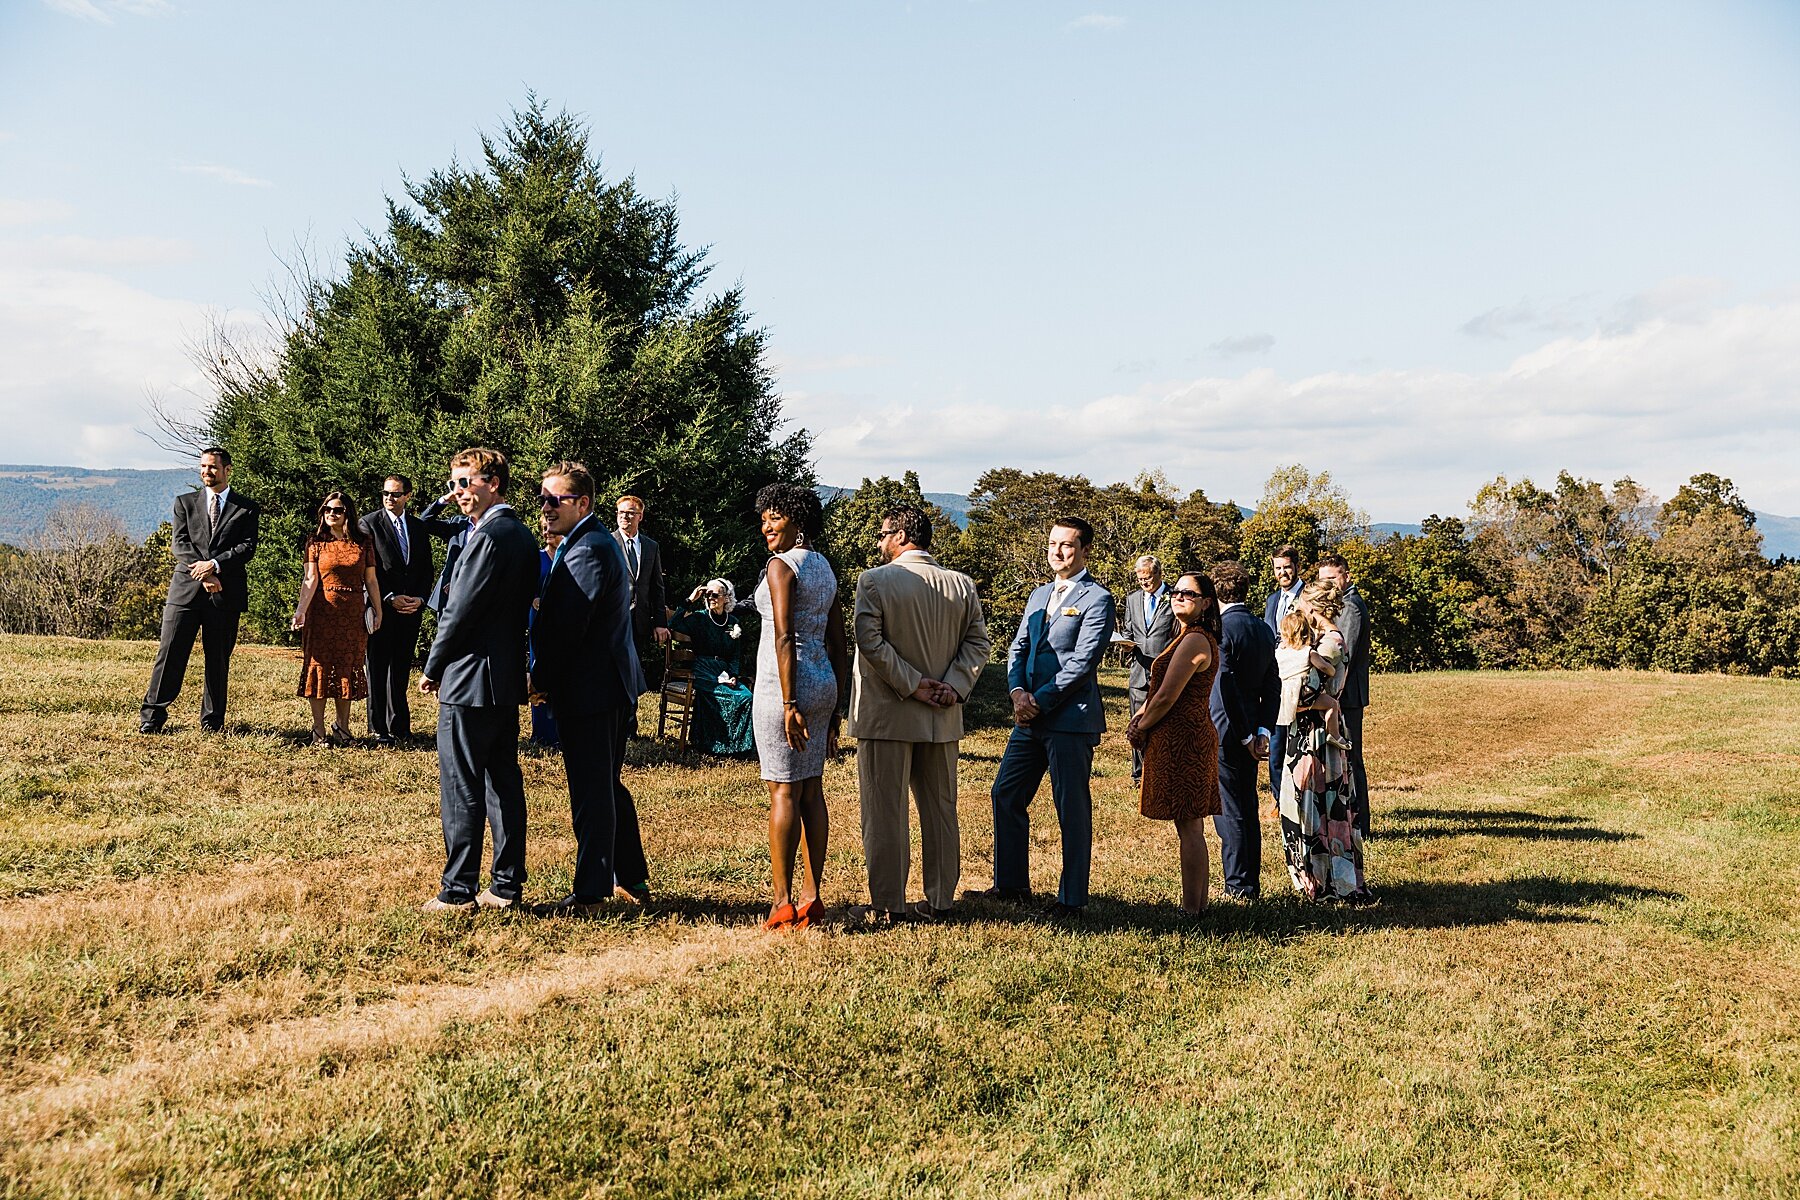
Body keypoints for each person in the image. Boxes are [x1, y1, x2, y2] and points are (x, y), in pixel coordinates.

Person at [846, 503, 990, 925]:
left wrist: (911, 683)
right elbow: (979, 644)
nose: (879, 542)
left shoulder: (874, 581)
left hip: (888, 715)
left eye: (884, 533)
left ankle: (888, 903)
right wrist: (954, 685)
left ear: (904, 536)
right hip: (942, 715)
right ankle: (941, 900)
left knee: (885, 810)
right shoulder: (961, 585)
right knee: (942, 808)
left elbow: (869, 642)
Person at [418, 447, 540, 914]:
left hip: (469, 678)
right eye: (454, 483)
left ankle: (457, 890)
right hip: (503, 676)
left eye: (466, 483)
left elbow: (459, 611)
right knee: (502, 781)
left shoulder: (487, 537)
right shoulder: (522, 535)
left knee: (461, 783)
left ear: (493, 482)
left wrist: (433, 666)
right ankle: (506, 885)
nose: (459, 493)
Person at [978, 516, 1117, 919]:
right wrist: (1016, 692)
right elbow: (1018, 647)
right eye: (1053, 543)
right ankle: (1011, 885)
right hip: (1028, 719)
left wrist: (1038, 699)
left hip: (1069, 719)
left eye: (1067, 545)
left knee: (1069, 807)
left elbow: (1083, 663)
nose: (1057, 552)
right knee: (1006, 792)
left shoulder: (1097, 599)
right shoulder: (1039, 594)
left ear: (1085, 550)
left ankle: (1072, 899)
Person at [530, 461, 644, 916]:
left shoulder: (588, 549)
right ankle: (631, 876)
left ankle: (592, 892)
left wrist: (539, 679)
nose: (545, 508)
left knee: (591, 792)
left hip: (592, 688)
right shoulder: (584, 541)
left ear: (582, 503)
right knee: (607, 787)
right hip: (602, 685)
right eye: (542, 498)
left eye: (554, 500)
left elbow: (569, 627)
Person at [751, 483, 849, 931]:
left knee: (783, 791)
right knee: (811, 789)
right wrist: (837, 707)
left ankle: (782, 902)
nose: (767, 525)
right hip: (823, 681)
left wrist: (790, 703)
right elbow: (837, 641)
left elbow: (784, 636)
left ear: (797, 521)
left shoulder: (780, 566)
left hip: (783, 685)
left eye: (775, 517)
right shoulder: (826, 567)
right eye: (765, 517)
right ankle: (813, 897)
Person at [138, 447, 260, 734]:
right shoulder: (185, 503)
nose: (207, 471)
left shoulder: (247, 508)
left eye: (213, 467)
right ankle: (152, 717)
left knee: (217, 659)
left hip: (225, 593)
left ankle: (212, 721)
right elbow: (179, 544)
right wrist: (204, 573)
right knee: (169, 654)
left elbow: (247, 547)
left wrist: (215, 565)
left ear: (228, 470)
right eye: (203, 466)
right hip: (186, 592)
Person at [1126, 571, 1221, 914]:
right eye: (1176, 591)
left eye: (1189, 594)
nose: (1179, 596)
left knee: (1190, 825)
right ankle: (1198, 904)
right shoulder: (1182, 635)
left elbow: (1167, 695)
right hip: (1177, 736)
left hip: (1187, 739)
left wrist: (1140, 725)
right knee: (1189, 824)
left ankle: (1192, 909)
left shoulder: (1196, 639)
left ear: (1206, 603)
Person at [1277, 580, 1370, 903]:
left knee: (1318, 806)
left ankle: (1326, 881)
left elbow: (1307, 694)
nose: (1298, 611)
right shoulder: (1319, 642)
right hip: (1307, 730)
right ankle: (1315, 878)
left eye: (1302, 606)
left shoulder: (1330, 644)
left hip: (1316, 736)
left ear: (1314, 609)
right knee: (1310, 804)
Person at [360, 474, 460, 745]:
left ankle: (400, 726)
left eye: (394, 494)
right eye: (385, 494)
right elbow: (368, 570)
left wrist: (419, 597)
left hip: (410, 610)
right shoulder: (369, 524)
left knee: (401, 667)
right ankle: (378, 728)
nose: (389, 498)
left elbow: (425, 567)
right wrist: (390, 597)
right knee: (378, 667)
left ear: (407, 496)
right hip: (383, 607)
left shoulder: (416, 526)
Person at [1208, 560, 1279, 901]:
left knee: (1231, 809)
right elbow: (1272, 683)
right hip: (1252, 727)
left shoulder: (1220, 629)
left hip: (1226, 730)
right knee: (1247, 807)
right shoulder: (1263, 628)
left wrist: (1247, 735)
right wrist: (1263, 729)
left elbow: (1224, 686)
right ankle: (1251, 881)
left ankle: (1239, 885)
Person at [291, 491, 382, 744]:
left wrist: (378, 610)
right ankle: (318, 730)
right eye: (327, 509)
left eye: (338, 510)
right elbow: (310, 580)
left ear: (347, 514)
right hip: (321, 612)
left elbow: (371, 580)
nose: (332, 513)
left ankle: (342, 728)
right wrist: (300, 611)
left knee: (348, 668)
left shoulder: (363, 542)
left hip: (352, 613)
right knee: (318, 667)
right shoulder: (316, 542)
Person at [666, 579, 756, 757]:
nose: (710, 598)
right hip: (703, 669)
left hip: (723, 671)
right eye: (708, 595)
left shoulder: (733, 621)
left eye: (715, 594)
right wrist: (690, 600)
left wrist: (733, 675)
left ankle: (738, 747)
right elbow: (673, 624)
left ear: (726, 598)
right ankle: (712, 744)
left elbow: (735, 655)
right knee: (718, 694)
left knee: (746, 697)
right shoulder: (699, 618)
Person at [1317, 553, 1372, 835]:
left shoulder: (1350, 606)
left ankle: (1360, 824)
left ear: (1346, 576)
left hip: (1346, 695)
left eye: (1332, 578)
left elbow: (1344, 656)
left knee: (1352, 758)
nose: (1327, 584)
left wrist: (1331, 695)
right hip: (1341, 695)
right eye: (1322, 579)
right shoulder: (1340, 603)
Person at [1119, 554, 1176, 788]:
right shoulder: (1132, 599)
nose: (1144, 583)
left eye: (1148, 578)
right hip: (1139, 671)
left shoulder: (1174, 597)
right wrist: (1125, 643)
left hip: (1166, 672)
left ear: (1158, 574)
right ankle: (1139, 775)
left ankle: (1163, 771)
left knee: (1164, 725)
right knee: (1137, 723)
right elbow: (1129, 629)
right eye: (1140, 579)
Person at [1262, 545, 1305, 806]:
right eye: (1278, 568)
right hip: (1274, 675)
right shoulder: (1272, 600)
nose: (1282, 573)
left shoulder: (1307, 597)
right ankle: (1278, 799)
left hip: (1299, 672)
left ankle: (1301, 795)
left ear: (1296, 566)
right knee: (1275, 741)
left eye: (1287, 567)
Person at [613, 494, 670, 684]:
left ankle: (630, 713)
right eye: (621, 513)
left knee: (633, 670)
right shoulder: (607, 543)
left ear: (640, 516)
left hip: (640, 621)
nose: (625, 517)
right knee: (611, 669)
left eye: (630, 513)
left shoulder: (651, 546)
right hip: (612, 619)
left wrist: (660, 622)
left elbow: (657, 587)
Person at [1276, 610, 1352, 749]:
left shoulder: (1279, 652)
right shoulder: (1308, 652)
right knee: (1332, 704)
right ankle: (1334, 735)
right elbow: (1323, 667)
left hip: (1283, 697)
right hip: (1302, 695)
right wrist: (1332, 670)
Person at [527, 520, 563, 750]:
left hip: (564, 624)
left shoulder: (570, 557)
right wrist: (533, 598)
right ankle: (541, 733)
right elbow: (522, 587)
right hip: (538, 622)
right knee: (538, 669)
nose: (547, 533)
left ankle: (562, 732)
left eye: (552, 528)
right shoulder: (535, 558)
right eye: (544, 529)